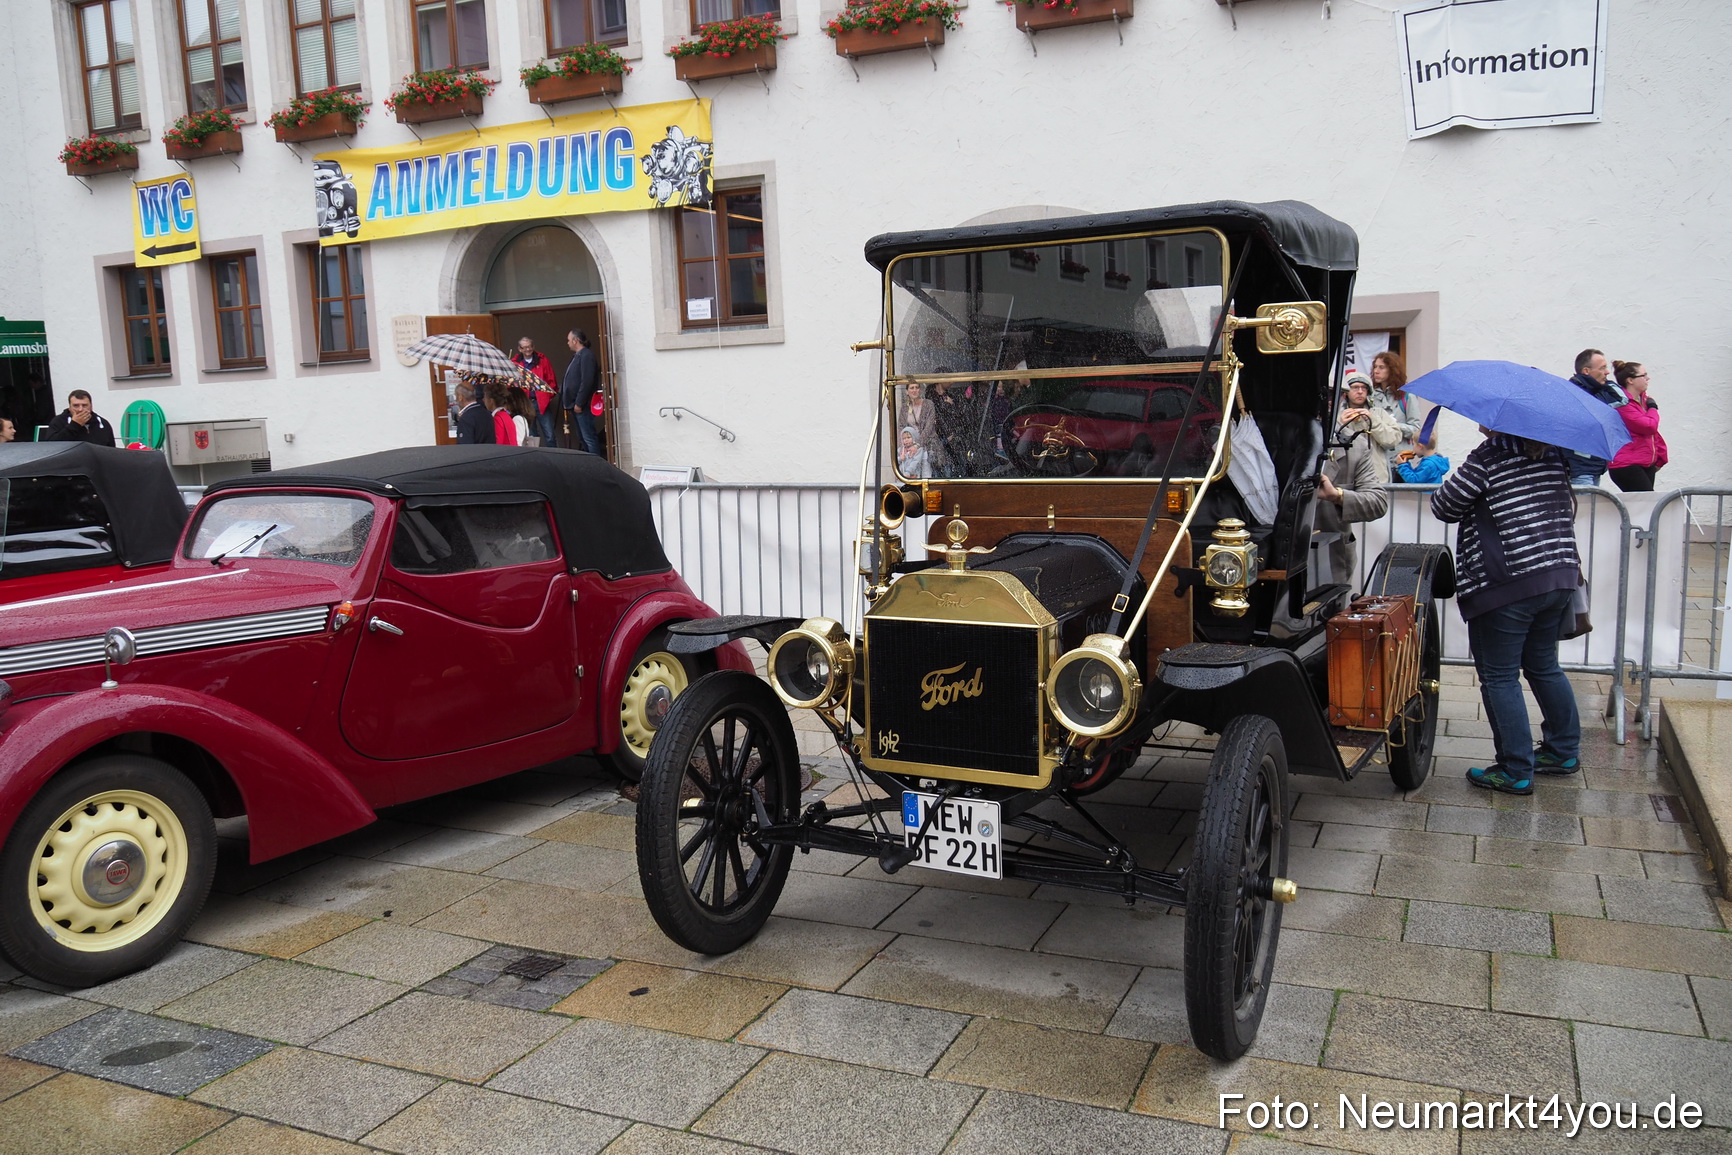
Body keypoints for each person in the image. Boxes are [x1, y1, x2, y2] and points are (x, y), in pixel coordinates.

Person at [1430, 428, 1582, 795]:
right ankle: (1562, 752)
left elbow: (1443, 506)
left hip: (1507, 583)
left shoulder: (1488, 457)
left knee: (1499, 677)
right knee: (1544, 665)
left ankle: (1515, 769)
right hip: (1558, 576)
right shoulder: (1552, 453)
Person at [1314, 376, 1390, 585]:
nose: (1327, 402)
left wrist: (1337, 495)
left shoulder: (1354, 445)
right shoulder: (1272, 439)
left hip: (1330, 563)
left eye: (1333, 396)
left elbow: (1378, 502)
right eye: (1322, 395)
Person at [1564, 349, 1625, 486]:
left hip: (1595, 465)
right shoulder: (1574, 393)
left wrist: (1602, 383)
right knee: (1584, 506)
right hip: (1580, 467)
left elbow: (1622, 398)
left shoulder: (1597, 391)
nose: (1607, 372)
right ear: (1586, 371)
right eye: (1602, 368)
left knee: (1591, 506)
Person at [1607, 360, 1666, 492]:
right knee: (1647, 505)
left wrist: (1661, 456)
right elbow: (1649, 426)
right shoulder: (1623, 404)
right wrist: (1653, 408)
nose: (1647, 378)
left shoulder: (1643, 400)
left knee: (1642, 507)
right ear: (1630, 380)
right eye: (1643, 375)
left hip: (1644, 462)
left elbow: (1653, 434)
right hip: (1627, 464)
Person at [1369, 351, 1427, 466]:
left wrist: (1393, 425)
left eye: (1381, 367)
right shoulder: (1370, 396)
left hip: (1399, 460)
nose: (1376, 371)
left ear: (1392, 370)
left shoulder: (1407, 396)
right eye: (1375, 367)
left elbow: (1416, 430)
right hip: (1376, 460)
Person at [512, 337, 558, 446]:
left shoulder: (542, 360)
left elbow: (552, 381)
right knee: (531, 436)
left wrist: (546, 397)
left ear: (533, 347)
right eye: (525, 347)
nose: (528, 349)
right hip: (525, 404)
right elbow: (511, 385)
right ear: (520, 349)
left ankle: (555, 460)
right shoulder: (515, 363)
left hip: (541, 402)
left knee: (550, 435)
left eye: (530, 346)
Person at [563, 329, 602, 454]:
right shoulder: (578, 356)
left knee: (589, 437)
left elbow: (587, 381)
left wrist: (579, 403)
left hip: (582, 406)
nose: (568, 343)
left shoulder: (586, 355)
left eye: (569, 340)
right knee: (582, 438)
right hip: (575, 404)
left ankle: (596, 466)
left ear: (576, 340)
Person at [1342, 370, 1400, 455]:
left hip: (1375, 467)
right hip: (1349, 467)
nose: (1360, 391)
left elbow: (1393, 441)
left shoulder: (1379, 413)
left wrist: (1372, 420)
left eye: (1364, 388)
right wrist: (1341, 426)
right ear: (1346, 392)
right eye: (1355, 387)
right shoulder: (1339, 415)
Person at [900, 382, 946, 474]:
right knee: (910, 472)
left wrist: (917, 445)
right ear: (906, 391)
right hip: (910, 447)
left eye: (917, 388)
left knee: (927, 473)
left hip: (928, 445)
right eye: (912, 388)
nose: (914, 390)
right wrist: (903, 445)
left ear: (920, 390)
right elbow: (901, 427)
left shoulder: (928, 404)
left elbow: (929, 427)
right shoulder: (904, 408)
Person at [45, 390, 116, 446]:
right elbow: (52, 446)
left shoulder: (102, 423)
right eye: (76, 406)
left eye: (84, 405)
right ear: (69, 407)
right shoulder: (58, 422)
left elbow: (111, 449)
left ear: (91, 406)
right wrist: (74, 425)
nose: (80, 409)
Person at [452, 379, 495, 445]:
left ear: (460, 397)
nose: (455, 399)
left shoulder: (466, 418)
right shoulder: (487, 413)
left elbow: (465, 447)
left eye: (456, 396)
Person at [485, 379, 518, 446]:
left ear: (491, 401)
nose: (483, 400)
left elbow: (497, 444)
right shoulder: (506, 415)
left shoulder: (497, 418)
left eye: (485, 397)